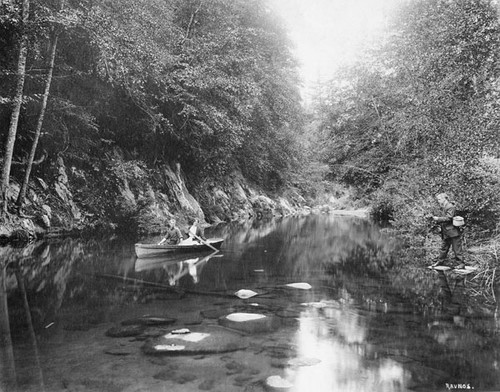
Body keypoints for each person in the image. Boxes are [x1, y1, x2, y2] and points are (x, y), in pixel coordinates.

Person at [430, 193, 465, 269]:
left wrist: (438, 219)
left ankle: (461, 264)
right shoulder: (445, 206)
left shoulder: (450, 206)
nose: (438, 201)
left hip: (453, 232)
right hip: (446, 232)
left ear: (444, 199)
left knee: (457, 249)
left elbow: (449, 218)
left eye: (439, 199)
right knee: (444, 248)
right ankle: (440, 261)